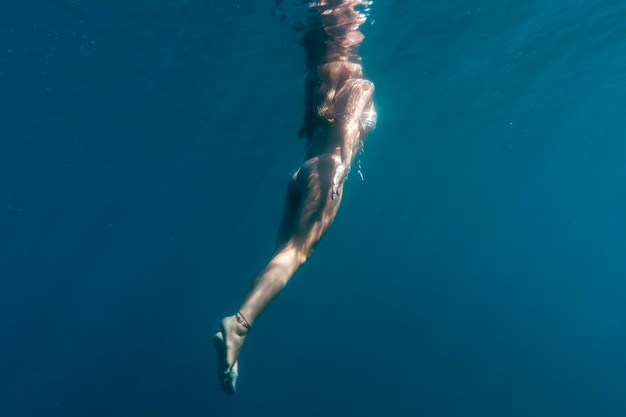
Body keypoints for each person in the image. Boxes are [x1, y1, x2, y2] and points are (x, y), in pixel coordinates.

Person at [213, 0, 376, 394]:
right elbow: (349, 131)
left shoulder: (319, 76)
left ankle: (238, 337)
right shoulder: (361, 84)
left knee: (281, 256)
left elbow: (313, 131)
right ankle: (238, 327)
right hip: (327, 171)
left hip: (302, 173)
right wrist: (340, 171)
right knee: (296, 254)